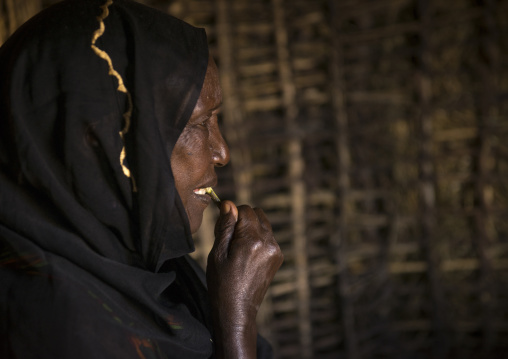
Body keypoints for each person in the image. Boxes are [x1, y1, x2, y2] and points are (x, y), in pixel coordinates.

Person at [0, 0, 283, 358]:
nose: (221, 152)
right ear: (99, 144)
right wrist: (238, 324)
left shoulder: (152, 268)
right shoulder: (48, 322)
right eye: (197, 125)